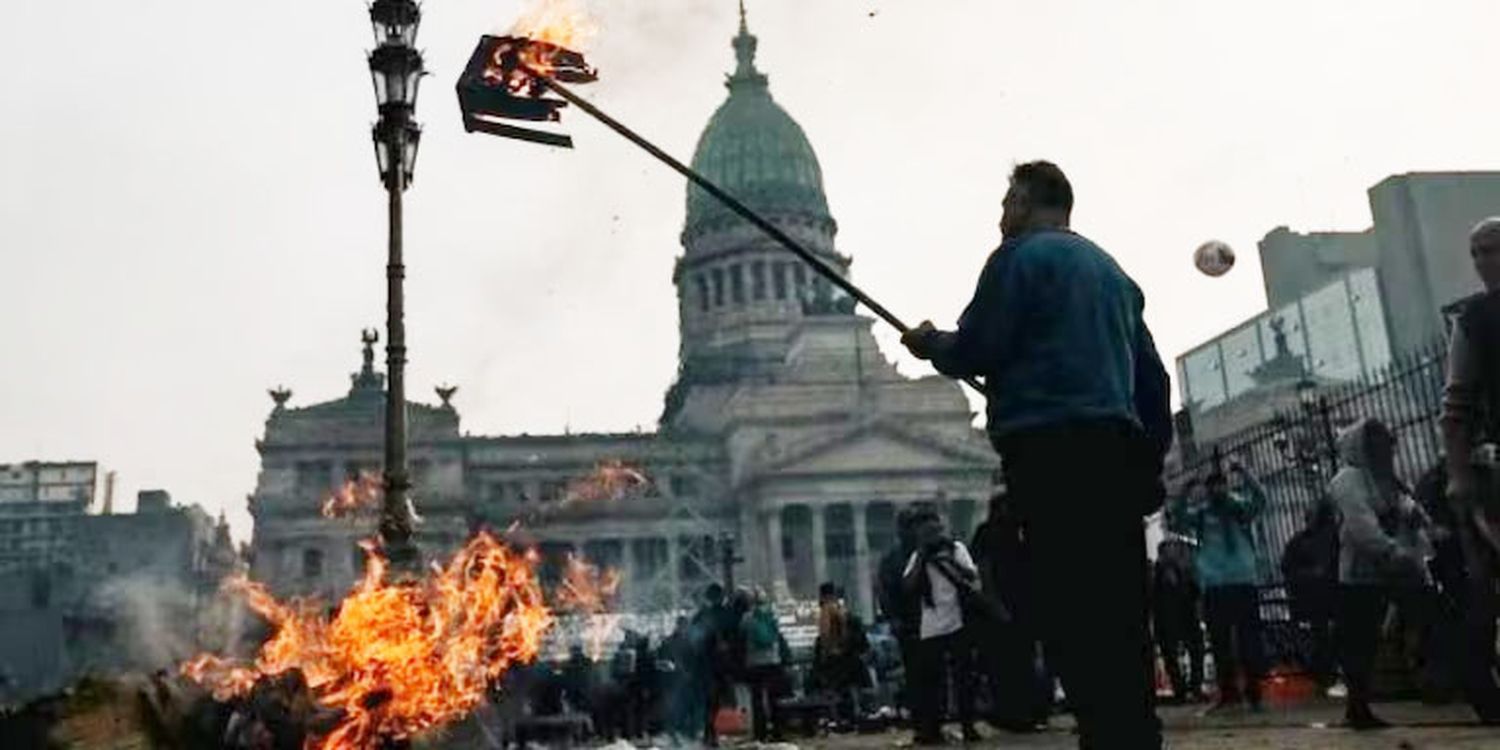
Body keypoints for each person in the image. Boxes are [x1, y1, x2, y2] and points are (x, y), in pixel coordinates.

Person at [902, 160, 1171, 750]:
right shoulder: (1114, 274)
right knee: (1121, 608)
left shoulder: (1019, 259)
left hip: (1050, 455)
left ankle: (1103, 733)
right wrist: (1148, 463)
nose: (1001, 216)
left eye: (1006, 202)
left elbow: (978, 345)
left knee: (1071, 605)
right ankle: (1136, 735)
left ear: (1026, 201)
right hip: (1115, 454)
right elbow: (1152, 384)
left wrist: (930, 345)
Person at [1328, 418, 1433, 729]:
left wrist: (1419, 521)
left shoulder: (1386, 479)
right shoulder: (1348, 479)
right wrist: (1390, 550)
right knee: (1360, 641)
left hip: (1393, 569)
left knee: (1386, 635)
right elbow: (1361, 526)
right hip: (1361, 574)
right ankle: (1357, 707)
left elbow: (1407, 508)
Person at [1440, 216, 1500, 724]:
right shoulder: (1475, 319)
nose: (1483, 261)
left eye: (1491, 249)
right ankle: (1483, 689)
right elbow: (1456, 404)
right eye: (1476, 251)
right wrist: (1460, 473)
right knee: (1486, 585)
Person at [1173, 461, 1267, 713]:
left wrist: (1245, 472)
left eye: (1221, 486)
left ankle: (1252, 691)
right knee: (1221, 641)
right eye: (1213, 487)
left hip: (1240, 580)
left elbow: (1261, 498)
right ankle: (1230, 693)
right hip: (1217, 584)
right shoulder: (1203, 514)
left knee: (1247, 640)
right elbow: (1178, 516)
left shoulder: (1238, 508)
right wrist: (1184, 489)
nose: (1218, 491)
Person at [971, 491, 1051, 731]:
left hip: (1024, 604)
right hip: (1002, 607)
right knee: (1004, 663)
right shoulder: (987, 533)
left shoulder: (1019, 531)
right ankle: (1010, 712)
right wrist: (995, 603)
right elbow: (984, 571)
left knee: (1025, 661)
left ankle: (1029, 711)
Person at [902, 508, 982, 744]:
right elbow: (907, 586)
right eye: (927, 533)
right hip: (932, 626)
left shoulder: (956, 549)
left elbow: (972, 575)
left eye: (935, 531)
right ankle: (934, 727)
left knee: (964, 678)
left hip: (958, 621)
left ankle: (968, 724)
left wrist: (947, 560)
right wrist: (923, 557)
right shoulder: (918, 556)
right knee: (934, 682)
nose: (933, 536)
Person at [1280, 498, 1342, 692]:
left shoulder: (1302, 541)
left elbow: (1288, 568)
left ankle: (1324, 675)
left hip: (1318, 597)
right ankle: (1326, 675)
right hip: (1324, 596)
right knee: (1326, 639)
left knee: (1323, 638)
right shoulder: (1333, 538)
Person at [876, 506, 923, 720]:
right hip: (908, 621)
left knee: (933, 672)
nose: (912, 531)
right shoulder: (892, 559)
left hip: (932, 620)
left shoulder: (928, 552)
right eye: (908, 526)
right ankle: (921, 718)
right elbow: (884, 591)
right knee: (914, 672)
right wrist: (893, 618)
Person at [1152, 534, 1206, 704]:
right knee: (1178, 654)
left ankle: (1189, 688)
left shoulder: (1180, 572)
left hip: (1180, 617)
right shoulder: (1161, 572)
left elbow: (1195, 591)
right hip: (1173, 618)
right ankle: (1184, 689)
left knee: (1190, 651)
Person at [742, 588, 790, 742]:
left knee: (757, 700)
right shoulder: (772, 616)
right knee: (774, 698)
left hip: (754, 664)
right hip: (773, 662)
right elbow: (778, 637)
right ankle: (778, 731)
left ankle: (760, 733)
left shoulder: (747, 618)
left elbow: (741, 635)